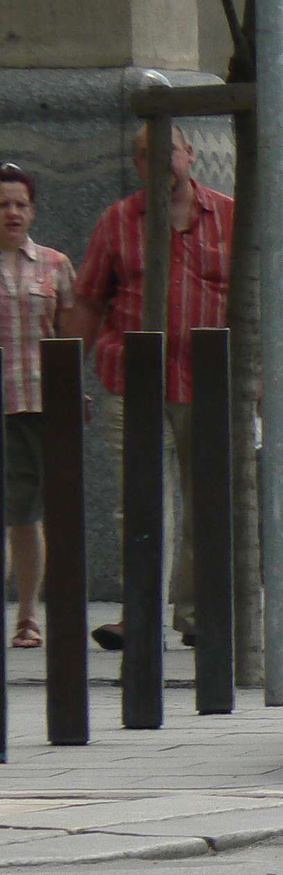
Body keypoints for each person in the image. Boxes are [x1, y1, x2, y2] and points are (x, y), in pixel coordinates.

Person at [66, 123, 234, 651]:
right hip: (131, 380)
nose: (160, 162)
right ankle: (139, 614)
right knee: (139, 500)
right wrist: (66, 375)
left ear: (189, 154)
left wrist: (252, 380)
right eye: (146, 154)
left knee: (205, 499)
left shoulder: (229, 215)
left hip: (208, 381)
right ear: (137, 164)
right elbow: (90, 300)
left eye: (169, 151)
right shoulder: (116, 221)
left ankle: (195, 613)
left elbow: (255, 301)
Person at [0, 163, 76, 650]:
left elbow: (70, 334)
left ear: (33, 210)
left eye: (20, 204)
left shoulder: (54, 264)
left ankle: (28, 614)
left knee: (26, 513)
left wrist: (72, 392)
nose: (12, 213)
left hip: (33, 403)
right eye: (3, 204)